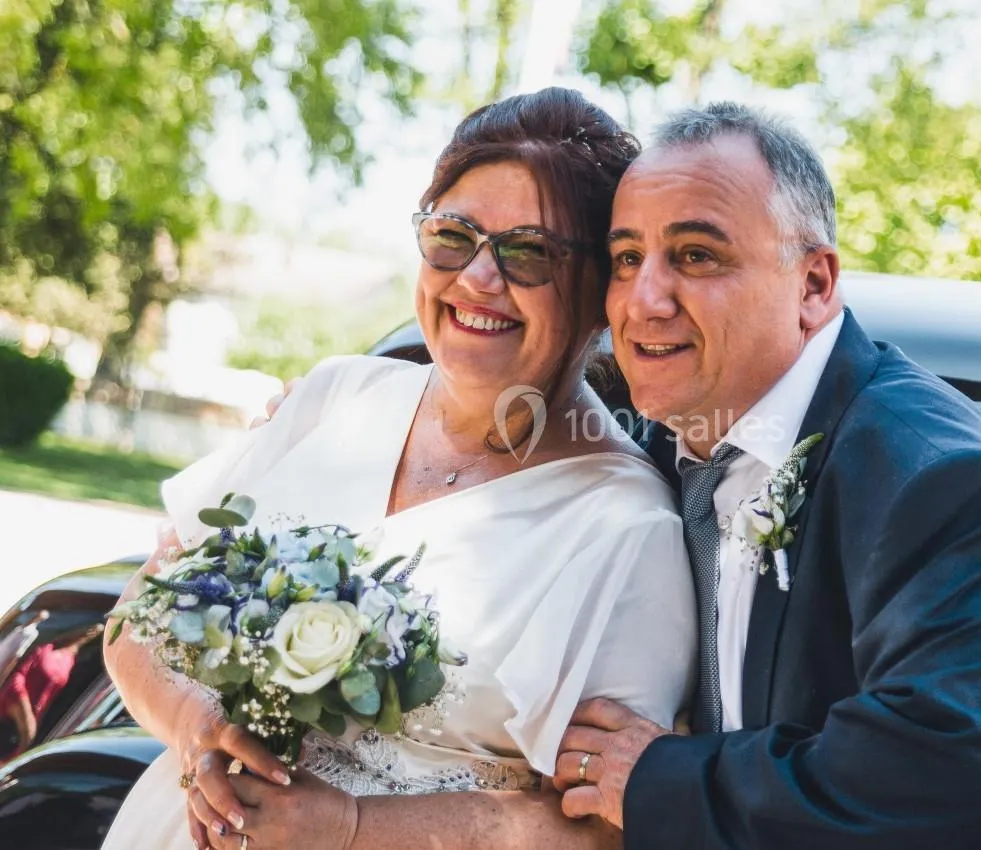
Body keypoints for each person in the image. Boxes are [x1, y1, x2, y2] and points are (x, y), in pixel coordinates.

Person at [101, 87, 696, 850]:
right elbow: (135, 617)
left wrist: (351, 827)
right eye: (452, 236)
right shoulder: (333, 399)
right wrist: (195, 725)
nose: (478, 278)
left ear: (600, 294)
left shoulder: (628, 528)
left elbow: (605, 829)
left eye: (528, 252)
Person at [551, 103, 981, 849]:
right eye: (627, 259)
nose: (643, 300)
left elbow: (958, 761)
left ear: (814, 285)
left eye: (696, 256)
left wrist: (661, 783)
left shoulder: (935, 474)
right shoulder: (654, 447)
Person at [0, 620, 100, 761]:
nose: (89, 633)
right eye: (88, 629)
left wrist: (37, 717)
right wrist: (23, 705)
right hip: (14, 702)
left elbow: (50, 696)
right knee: (25, 738)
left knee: (20, 750)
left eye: (93, 632)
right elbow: (17, 675)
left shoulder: (69, 661)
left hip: (34, 713)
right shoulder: (46, 649)